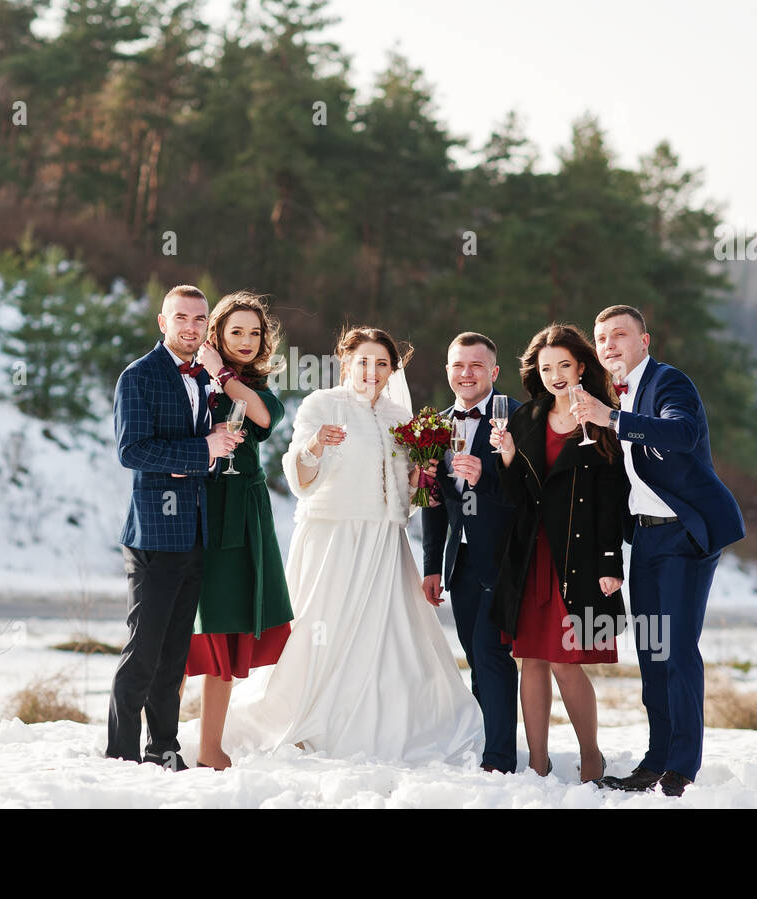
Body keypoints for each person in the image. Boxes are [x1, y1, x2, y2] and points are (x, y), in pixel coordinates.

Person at [231, 327, 484, 764]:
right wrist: (315, 445)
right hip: (334, 536)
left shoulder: (397, 415)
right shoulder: (322, 404)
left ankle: (388, 725)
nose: (373, 371)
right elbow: (298, 475)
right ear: (345, 361)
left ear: (391, 370)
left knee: (390, 636)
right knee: (323, 630)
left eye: (382, 364)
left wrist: (422, 469)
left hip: (386, 539)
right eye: (364, 362)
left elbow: (407, 490)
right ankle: (308, 717)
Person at [572, 305, 745, 797]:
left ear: (644, 341)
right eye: (601, 338)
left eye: (619, 335)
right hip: (645, 537)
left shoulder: (669, 383)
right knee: (651, 650)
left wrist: (614, 418)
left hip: (685, 533)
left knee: (678, 651)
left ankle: (682, 768)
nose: (608, 345)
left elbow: (683, 434)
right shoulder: (611, 393)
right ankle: (655, 759)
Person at [106, 285, 242, 769]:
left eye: (199, 319)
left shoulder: (205, 376)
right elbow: (132, 450)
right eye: (180, 317)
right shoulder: (138, 376)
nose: (191, 327)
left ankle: (163, 748)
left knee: (174, 655)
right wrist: (203, 448)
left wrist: (215, 446)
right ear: (163, 323)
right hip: (154, 534)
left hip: (196, 530)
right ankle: (120, 755)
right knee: (143, 651)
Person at [489, 323, 627, 782]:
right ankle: (537, 763)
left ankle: (591, 757)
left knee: (568, 662)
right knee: (529, 658)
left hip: (579, 555)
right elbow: (517, 496)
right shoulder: (527, 418)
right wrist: (507, 455)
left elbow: (612, 495)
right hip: (531, 554)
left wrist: (611, 561)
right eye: (546, 368)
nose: (555, 375)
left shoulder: (601, 416)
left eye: (564, 365)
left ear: (581, 367)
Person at [183, 291, 293, 771]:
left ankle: (210, 747)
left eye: (255, 332)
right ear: (216, 335)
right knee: (181, 631)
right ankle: (158, 740)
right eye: (236, 332)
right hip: (194, 505)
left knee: (225, 627)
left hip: (242, 512)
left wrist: (223, 375)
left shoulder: (253, 386)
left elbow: (264, 417)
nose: (247, 341)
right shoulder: (185, 376)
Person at [420, 333, 521, 773]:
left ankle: (499, 759)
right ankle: (488, 745)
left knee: (491, 651)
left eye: (476, 366)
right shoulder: (435, 427)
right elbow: (435, 502)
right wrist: (431, 566)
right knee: (476, 654)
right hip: (459, 562)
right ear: (447, 371)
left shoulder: (520, 417)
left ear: (494, 372)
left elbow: (532, 494)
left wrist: (487, 479)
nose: (466, 373)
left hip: (506, 557)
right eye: (458, 365)